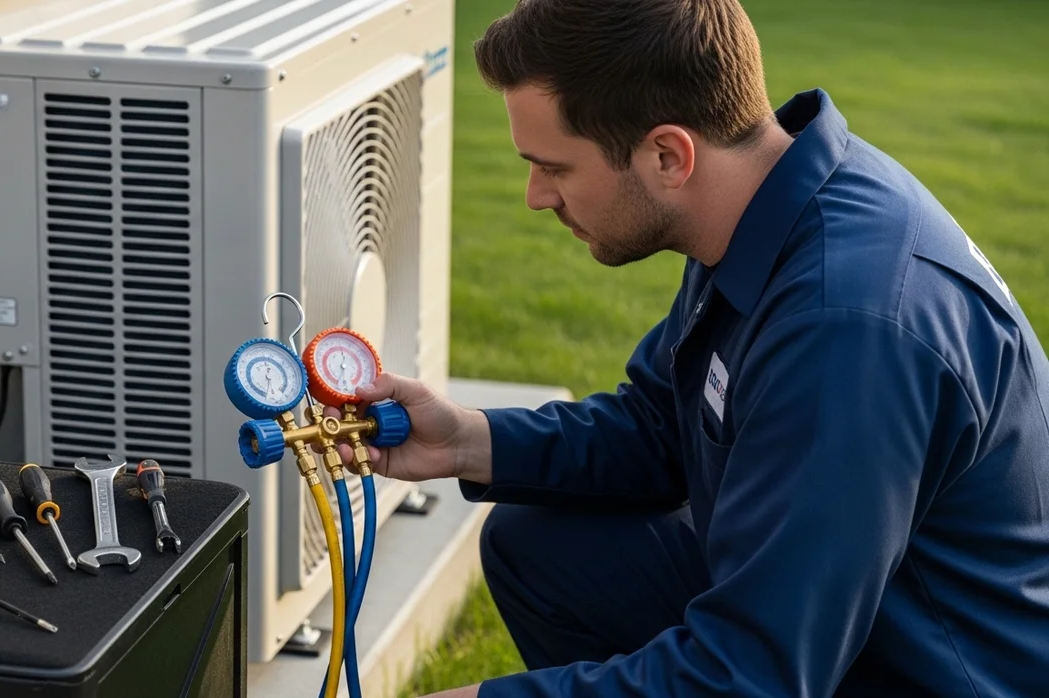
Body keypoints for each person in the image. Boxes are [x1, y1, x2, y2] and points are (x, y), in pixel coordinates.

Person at [328, 0, 1049, 695]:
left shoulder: (847, 325)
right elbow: (661, 427)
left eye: (555, 166)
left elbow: (752, 676)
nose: (536, 195)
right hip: (860, 621)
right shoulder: (767, 203)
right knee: (541, 545)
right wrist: (465, 441)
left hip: (923, 669)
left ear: (669, 155)